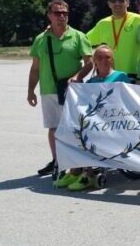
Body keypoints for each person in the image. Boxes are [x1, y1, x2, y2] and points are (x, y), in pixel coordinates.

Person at [28, 0, 93, 177]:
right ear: (49, 15)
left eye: (65, 13)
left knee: (74, 127)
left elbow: (89, 63)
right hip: (48, 90)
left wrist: (77, 76)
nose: (61, 16)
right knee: (54, 127)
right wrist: (30, 91)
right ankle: (58, 162)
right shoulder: (41, 39)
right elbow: (35, 68)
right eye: (57, 13)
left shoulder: (78, 36)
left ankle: (76, 163)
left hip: (71, 90)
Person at [54, 45, 133, 191]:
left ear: (112, 59)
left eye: (107, 57)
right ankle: (75, 171)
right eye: (100, 57)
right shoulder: (91, 82)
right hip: (95, 120)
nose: (104, 60)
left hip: (113, 121)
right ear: (95, 61)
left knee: (87, 133)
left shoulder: (121, 76)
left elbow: (128, 101)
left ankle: (88, 174)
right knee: (71, 130)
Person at [86, 0, 140, 79]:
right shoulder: (103, 24)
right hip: (110, 76)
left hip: (133, 74)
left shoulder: (139, 20)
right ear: (109, 4)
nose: (117, 3)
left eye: (121, 0)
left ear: (127, 3)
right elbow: (84, 42)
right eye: (113, 0)